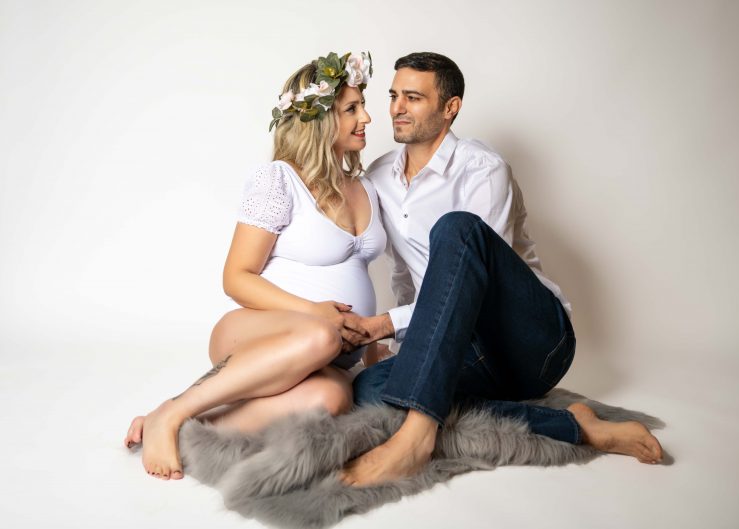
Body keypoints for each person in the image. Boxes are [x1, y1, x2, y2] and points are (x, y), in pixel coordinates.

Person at [338, 52, 664, 487]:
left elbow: (475, 288)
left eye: (413, 98)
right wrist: (405, 348)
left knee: (455, 228)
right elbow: (405, 276)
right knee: (369, 389)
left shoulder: (482, 168)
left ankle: (417, 435)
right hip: (463, 350)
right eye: (394, 95)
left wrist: (383, 325)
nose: (397, 107)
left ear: (450, 107)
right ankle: (577, 425)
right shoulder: (380, 177)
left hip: (531, 344)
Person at [123, 51, 386, 480]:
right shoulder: (280, 180)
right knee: (320, 334)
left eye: (363, 106)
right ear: (320, 119)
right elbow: (236, 278)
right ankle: (172, 411)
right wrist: (314, 312)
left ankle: (189, 430)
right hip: (258, 332)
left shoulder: (366, 187)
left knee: (335, 400)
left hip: (332, 357)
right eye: (352, 109)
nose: (367, 118)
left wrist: (372, 352)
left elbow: (360, 278)